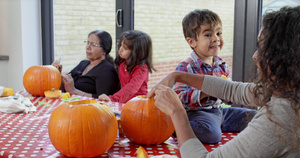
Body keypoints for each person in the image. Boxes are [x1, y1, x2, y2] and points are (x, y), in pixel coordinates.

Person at [148, 6, 300, 157]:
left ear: (286, 57)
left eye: (261, 47)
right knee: (212, 132)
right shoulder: (289, 93)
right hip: (201, 114)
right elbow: (234, 90)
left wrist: (177, 113)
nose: (255, 56)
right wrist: (178, 75)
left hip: (217, 111)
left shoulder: (280, 120)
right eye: (208, 34)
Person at [172, 9, 256, 144]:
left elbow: (227, 96)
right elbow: (179, 99)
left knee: (255, 117)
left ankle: (217, 125)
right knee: (211, 135)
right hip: (197, 114)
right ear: (192, 42)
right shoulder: (186, 67)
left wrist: (227, 94)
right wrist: (206, 91)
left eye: (218, 33)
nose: (216, 38)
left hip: (219, 111)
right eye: (208, 34)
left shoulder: (221, 65)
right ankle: (177, 127)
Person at [52, 30, 120, 98]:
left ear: (105, 50)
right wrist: (57, 74)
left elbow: (103, 99)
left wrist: (74, 91)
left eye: (93, 44)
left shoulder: (107, 70)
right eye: (88, 43)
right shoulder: (83, 63)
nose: (88, 47)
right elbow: (64, 88)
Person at [98, 30, 156, 103]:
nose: (120, 49)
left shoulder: (142, 69)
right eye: (121, 45)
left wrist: (113, 98)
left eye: (125, 48)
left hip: (139, 103)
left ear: (136, 52)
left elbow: (131, 88)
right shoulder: (122, 62)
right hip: (125, 101)